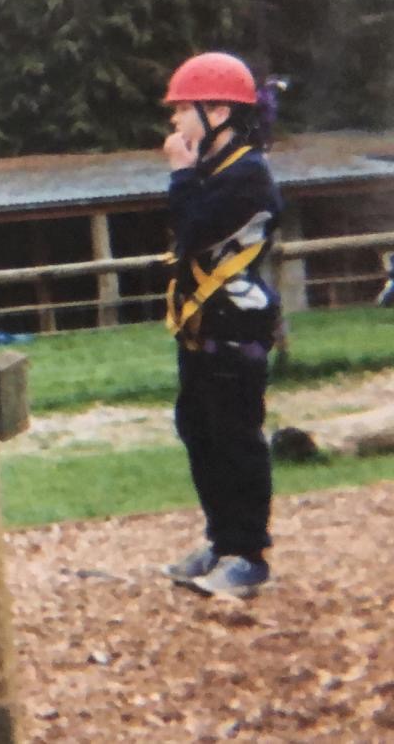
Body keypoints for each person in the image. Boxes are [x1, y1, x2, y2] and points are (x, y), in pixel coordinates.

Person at [158, 51, 284, 599]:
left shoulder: (248, 176)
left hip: (237, 328)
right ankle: (222, 538)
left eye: (183, 110)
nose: (175, 123)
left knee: (236, 439)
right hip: (203, 328)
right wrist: (188, 174)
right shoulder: (217, 172)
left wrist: (181, 174)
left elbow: (191, 230)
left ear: (218, 112)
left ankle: (248, 553)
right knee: (200, 431)